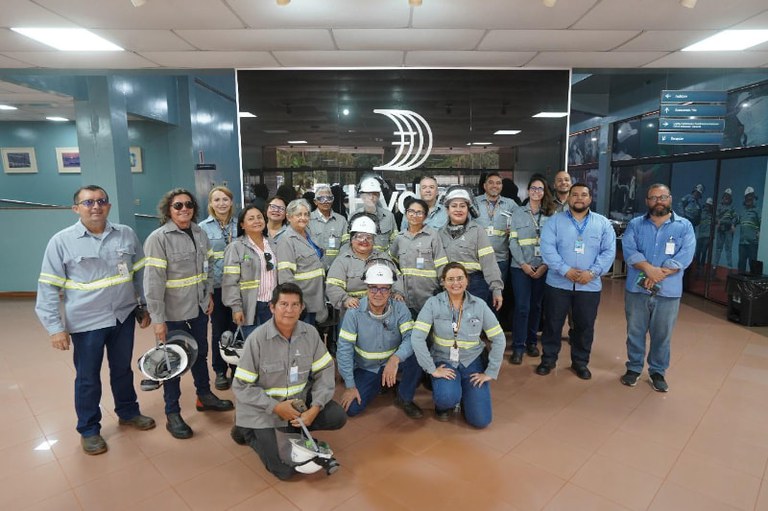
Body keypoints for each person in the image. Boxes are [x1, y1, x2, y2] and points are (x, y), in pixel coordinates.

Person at [35, 185, 155, 455]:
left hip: (122, 316)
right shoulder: (61, 241)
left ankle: (128, 412)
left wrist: (144, 305)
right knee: (88, 378)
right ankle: (89, 429)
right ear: (76, 208)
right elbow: (48, 286)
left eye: (101, 201)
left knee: (122, 369)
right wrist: (55, 328)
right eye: (88, 202)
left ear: (108, 205)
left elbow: (139, 273)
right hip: (87, 322)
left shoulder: (125, 234)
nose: (96, 206)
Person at [230, 283, 346, 481]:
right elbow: (241, 386)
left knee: (337, 416)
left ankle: (289, 431)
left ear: (302, 308)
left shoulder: (310, 334)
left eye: (295, 305)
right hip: (263, 410)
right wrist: (275, 407)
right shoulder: (257, 340)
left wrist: (315, 408)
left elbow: (325, 370)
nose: (289, 310)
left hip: (296, 405)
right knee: (285, 471)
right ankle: (248, 431)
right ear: (272, 307)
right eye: (283, 304)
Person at [144, 188, 234, 439]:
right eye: (178, 206)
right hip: (172, 313)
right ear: (168, 210)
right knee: (172, 362)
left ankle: (204, 396)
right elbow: (152, 282)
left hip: (198, 308)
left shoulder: (200, 233)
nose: (184, 209)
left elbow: (207, 269)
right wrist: (158, 319)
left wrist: (207, 297)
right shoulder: (158, 238)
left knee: (200, 353)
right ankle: (172, 412)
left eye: (188, 205)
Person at [410, 263, 506, 427]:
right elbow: (417, 337)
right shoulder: (433, 303)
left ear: (467, 281)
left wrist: (491, 371)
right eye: (450, 279)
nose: (456, 283)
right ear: (443, 282)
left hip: (472, 362)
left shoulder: (479, 305)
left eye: (460, 278)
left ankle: (464, 394)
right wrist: (431, 369)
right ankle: (446, 401)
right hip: (444, 360)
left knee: (481, 421)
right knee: (446, 398)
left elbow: (499, 338)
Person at [536, 183, 616, 380]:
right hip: (558, 283)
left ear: (590, 198)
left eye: (584, 195)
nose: (579, 198)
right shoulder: (554, 222)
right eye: (575, 195)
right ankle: (548, 359)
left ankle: (580, 362)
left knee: (584, 325)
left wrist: (593, 272)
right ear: (569, 198)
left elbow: (608, 252)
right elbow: (547, 249)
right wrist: (565, 270)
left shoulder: (603, 223)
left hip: (589, 285)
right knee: (553, 323)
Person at [620, 184, 695, 392]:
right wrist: (648, 270)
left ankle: (657, 371)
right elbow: (629, 250)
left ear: (670, 198)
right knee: (635, 331)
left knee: (662, 334)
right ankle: (634, 367)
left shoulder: (684, 226)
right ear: (647, 201)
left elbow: (685, 256)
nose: (658, 201)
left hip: (668, 292)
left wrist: (657, 273)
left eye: (663, 197)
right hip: (637, 291)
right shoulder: (635, 224)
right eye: (653, 198)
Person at [337, 264, 423, 419]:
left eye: (384, 289)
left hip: (393, 361)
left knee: (418, 352)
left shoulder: (400, 308)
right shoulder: (353, 313)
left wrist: (395, 359)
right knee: (352, 409)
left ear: (390, 290)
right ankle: (382, 383)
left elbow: (411, 337)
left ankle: (404, 397)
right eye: (373, 288)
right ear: (366, 289)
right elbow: (344, 350)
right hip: (367, 368)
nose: (378, 293)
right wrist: (350, 386)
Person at [507, 176, 556, 364]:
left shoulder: (552, 214)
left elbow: (554, 244)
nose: (536, 192)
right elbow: (513, 241)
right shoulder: (518, 212)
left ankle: (532, 342)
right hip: (521, 268)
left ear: (545, 192)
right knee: (522, 307)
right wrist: (523, 265)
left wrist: (545, 265)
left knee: (536, 307)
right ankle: (518, 346)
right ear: (527, 191)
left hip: (543, 267)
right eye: (533, 188)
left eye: (540, 189)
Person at [437, 186, 503, 311]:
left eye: (462, 206)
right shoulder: (440, 234)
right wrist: (443, 284)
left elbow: (489, 262)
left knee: (473, 325)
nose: (458, 209)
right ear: (447, 210)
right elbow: (439, 264)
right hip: (449, 284)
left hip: (475, 285)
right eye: (454, 206)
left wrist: (496, 289)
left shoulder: (478, 231)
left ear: (468, 209)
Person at [327, 212, 404, 319]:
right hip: (353, 313)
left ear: (374, 240)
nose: (364, 240)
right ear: (352, 239)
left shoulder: (383, 257)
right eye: (359, 237)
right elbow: (333, 286)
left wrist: (398, 293)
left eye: (369, 237)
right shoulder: (342, 261)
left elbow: (397, 278)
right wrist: (346, 299)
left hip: (383, 312)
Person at [199, 186, 238, 391]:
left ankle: (236, 367)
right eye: (217, 200)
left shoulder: (239, 225)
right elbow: (202, 261)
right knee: (219, 330)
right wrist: (208, 293)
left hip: (239, 286)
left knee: (238, 328)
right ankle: (220, 371)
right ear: (211, 204)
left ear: (231, 202)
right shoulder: (203, 228)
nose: (221, 203)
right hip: (217, 287)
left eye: (225, 199)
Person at [223, 204, 278, 338]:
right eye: (251, 218)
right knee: (254, 350)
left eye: (259, 217)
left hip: (273, 304)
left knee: (274, 346)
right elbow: (230, 282)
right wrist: (236, 308)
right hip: (250, 306)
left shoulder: (273, 244)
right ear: (242, 225)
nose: (257, 221)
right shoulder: (236, 247)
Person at [390, 198, 448, 318]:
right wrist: (397, 290)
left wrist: (445, 290)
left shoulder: (433, 236)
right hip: (405, 299)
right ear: (406, 214)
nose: (414, 215)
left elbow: (441, 264)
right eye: (411, 211)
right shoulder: (399, 238)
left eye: (419, 212)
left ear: (425, 216)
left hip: (429, 297)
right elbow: (393, 267)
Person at [275, 199, 326, 326]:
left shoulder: (310, 235)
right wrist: (295, 303)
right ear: (289, 217)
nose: (303, 218)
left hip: (316, 299)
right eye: (299, 215)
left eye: (306, 214)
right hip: (302, 302)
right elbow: (285, 277)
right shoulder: (286, 240)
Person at [475, 172, 518, 285]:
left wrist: (514, 230)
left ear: (501, 186)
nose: (495, 185)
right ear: (484, 186)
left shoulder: (510, 204)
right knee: (480, 293)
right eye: (491, 182)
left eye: (498, 183)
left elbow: (521, 223)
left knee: (497, 293)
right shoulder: (474, 203)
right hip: (478, 258)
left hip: (501, 258)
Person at [351, 176, 398, 253]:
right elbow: (349, 244)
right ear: (362, 196)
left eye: (375, 194)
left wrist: (386, 259)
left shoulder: (388, 216)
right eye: (368, 194)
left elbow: (395, 242)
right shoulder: (354, 217)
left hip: (382, 262)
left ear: (379, 196)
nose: (372, 197)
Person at [308, 185, 348, 271]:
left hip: (337, 268)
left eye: (329, 198)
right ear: (315, 201)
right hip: (313, 269)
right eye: (321, 198)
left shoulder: (341, 220)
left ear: (333, 200)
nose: (326, 201)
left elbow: (346, 244)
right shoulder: (307, 220)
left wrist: (339, 264)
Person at [737, 186, 761, 273]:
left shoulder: (757, 211)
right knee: (741, 265)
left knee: (753, 265)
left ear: (753, 198)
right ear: (745, 198)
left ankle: (754, 286)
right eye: (747, 196)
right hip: (742, 243)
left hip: (753, 244)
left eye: (751, 196)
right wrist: (732, 225)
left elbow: (762, 224)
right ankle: (738, 286)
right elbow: (735, 221)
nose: (749, 198)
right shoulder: (742, 212)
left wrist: (760, 232)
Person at [713, 188, 736, 273]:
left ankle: (730, 268)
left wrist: (733, 224)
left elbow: (734, 217)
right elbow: (715, 217)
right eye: (726, 196)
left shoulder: (732, 208)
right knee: (718, 249)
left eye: (728, 197)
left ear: (730, 198)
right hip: (720, 230)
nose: (727, 198)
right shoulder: (719, 206)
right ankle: (714, 268)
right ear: (723, 197)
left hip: (728, 230)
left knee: (728, 249)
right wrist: (717, 221)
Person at [694, 197, 713, 275]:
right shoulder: (701, 212)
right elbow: (697, 220)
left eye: (709, 205)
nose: (708, 206)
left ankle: (701, 266)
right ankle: (698, 266)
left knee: (704, 251)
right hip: (700, 235)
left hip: (707, 235)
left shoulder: (713, 214)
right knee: (697, 251)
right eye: (707, 205)